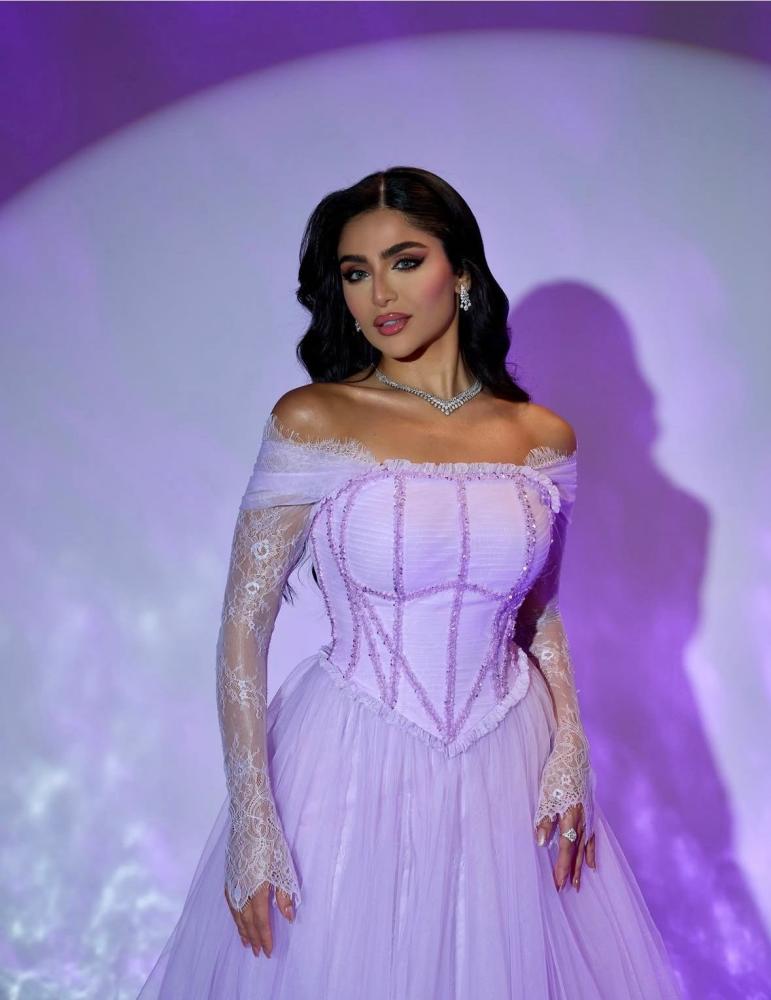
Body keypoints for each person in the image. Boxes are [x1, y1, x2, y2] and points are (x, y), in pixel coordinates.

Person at [137, 166, 682, 998]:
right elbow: (243, 625)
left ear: (459, 271)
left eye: (404, 261)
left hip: (510, 763)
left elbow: (538, 613)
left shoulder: (541, 437)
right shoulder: (313, 418)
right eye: (355, 273)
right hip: (349, 760)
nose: (378, 294)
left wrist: (570, 747)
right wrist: (252, 814)